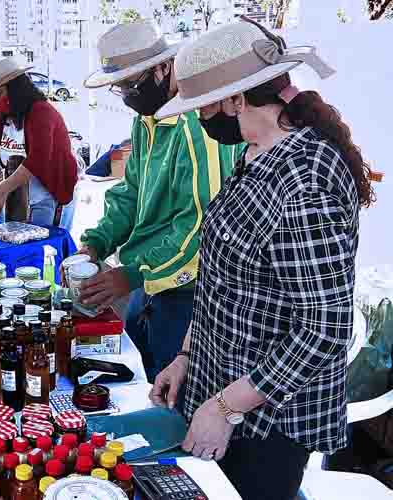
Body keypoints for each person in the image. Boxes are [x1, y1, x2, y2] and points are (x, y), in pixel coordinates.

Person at [148, 19, 370, 499]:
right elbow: (224, 281)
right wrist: (186, 356)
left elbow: (324, 328)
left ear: (236, 100)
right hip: (219, 388)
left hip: (267, 421)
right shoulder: (255, 152)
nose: (200, 118)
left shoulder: (304, 184)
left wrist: (226, 408)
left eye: (202, 106)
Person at [77, 21, 240, 381]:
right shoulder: (147, 121)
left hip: (189, 297)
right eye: (119, 88)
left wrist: (132, 275)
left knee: (176, 401)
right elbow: (130, 194)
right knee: (141, 386)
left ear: (164, 68)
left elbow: (203, 228)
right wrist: (95, 244)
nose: (127, 95)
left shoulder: (198, 126)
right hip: (148, 287)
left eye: (130, 84)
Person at [0, 58, 78, 226]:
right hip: (22, 195)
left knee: (45, 248)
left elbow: (38, 159)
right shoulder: (3, 115)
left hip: (51, 194)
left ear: (15, 88)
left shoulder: (41, 112)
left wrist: (2, 189)